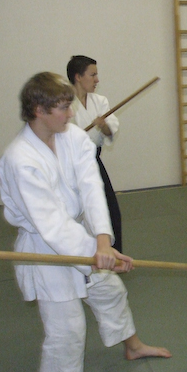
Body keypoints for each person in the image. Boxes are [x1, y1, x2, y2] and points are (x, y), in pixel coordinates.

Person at [0, 72, 170, 372]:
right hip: (46, 250)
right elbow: (51, 224)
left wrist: (103, 242)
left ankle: (133, 346)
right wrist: (97, 252)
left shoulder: (72, 136)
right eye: (63, 107)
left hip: (81, 239)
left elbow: (92, 188)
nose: (72, 113)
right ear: (39, 110)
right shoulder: (20, 160)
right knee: (68, 329)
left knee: (110, 291)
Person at [67, 55, 123, 251]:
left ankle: (114, 255)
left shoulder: (100, 101)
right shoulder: (64, 103)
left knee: (110, 210)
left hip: (93, 160)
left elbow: (110, 132)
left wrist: (103, 126)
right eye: (93, 75)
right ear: (78, 77)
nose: (97, 80)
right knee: (76, 212)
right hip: (70, 164)